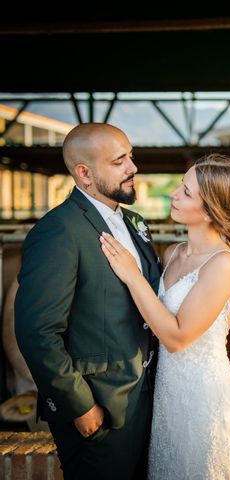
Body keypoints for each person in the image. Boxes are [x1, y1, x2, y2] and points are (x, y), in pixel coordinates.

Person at [14, 123, 161, 479]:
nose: (133, 168)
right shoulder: (59, 230)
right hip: (98, 408)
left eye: (131, 156)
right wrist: (79, 406)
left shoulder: (134, 222)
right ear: (85, 173)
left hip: (143, 401)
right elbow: (37, 331)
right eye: (119, 161)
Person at [99, 153, 230, 479]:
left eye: (185, 191)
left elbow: (176, 337)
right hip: (168, 403)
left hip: (207, 406)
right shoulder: (172, 253)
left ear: (210, 210)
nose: (173, 193)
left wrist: (132, 276)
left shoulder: (224, 265)